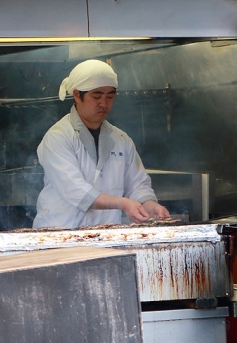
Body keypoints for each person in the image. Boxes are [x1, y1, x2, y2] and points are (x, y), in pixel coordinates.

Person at [33, 59, 169, 229]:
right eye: (96, 96)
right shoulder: (58, 137)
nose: (104, 103)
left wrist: (151, 206)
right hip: (61, 235)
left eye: (110, 96)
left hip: (106, 236)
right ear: (76, 95)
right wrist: (124, 204)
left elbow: (137, 186)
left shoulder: (121, 139)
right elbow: (77, 193)